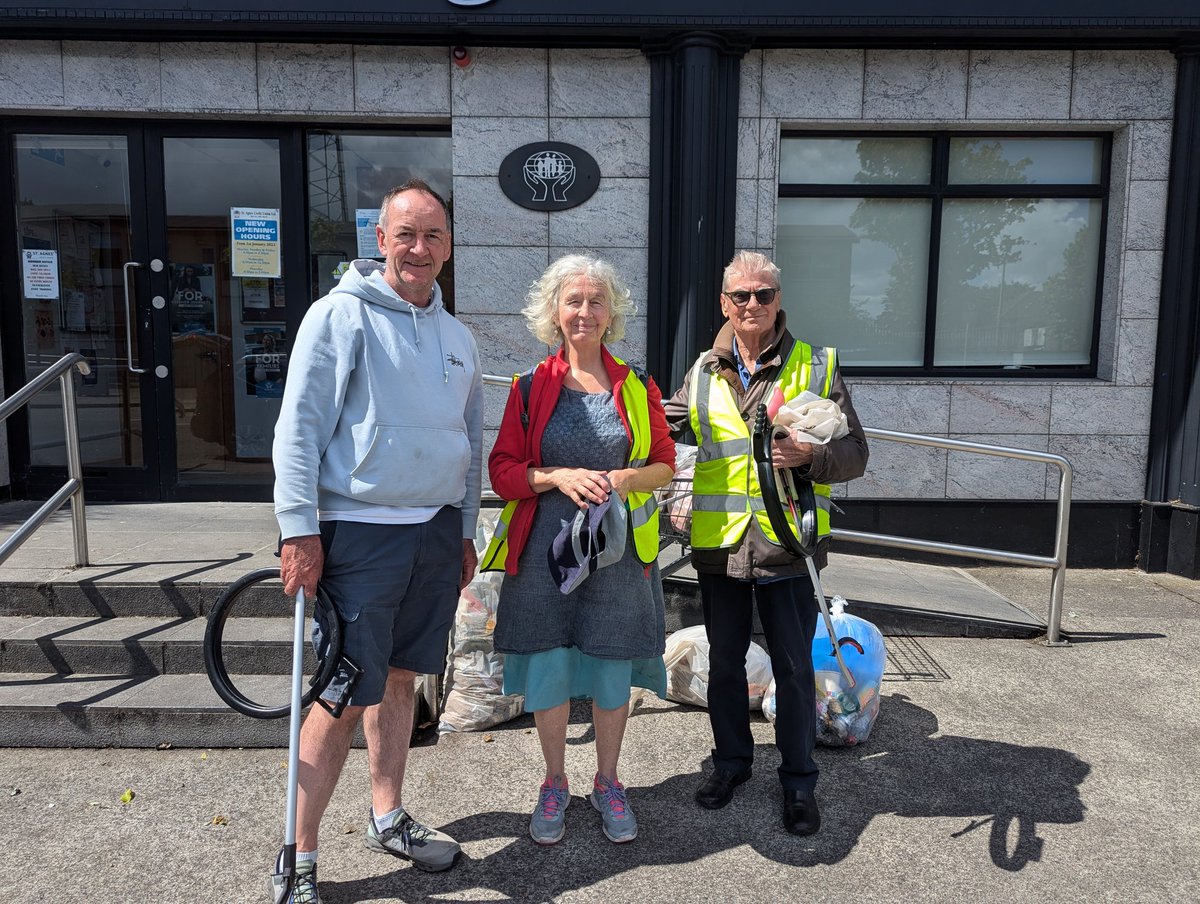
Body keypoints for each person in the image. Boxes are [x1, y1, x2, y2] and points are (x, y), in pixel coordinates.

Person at [271, 180, 483, 903]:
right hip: (358, 532)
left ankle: (387, 816)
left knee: (399, 679)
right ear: (381, 241)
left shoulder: (458, 337)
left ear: (449, 247)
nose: (419, 249)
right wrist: (298, 528)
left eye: (433, 236)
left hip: (430, 533)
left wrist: (462, 529)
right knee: (338, 692)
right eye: (406, 234)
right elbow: (298, 427)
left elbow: (470, 444)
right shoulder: (338, 317)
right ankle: (298, 856)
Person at [663, 250, 868, 836]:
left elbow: (857, 453)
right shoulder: (702, 371)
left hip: (789, 547)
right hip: (721, 547)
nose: (752, 305)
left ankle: (799, 782)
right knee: (725, 666)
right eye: (740, 296)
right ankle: (730, 763)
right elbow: (663, 425)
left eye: (764, 294)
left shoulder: (817, 364)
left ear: (779, 301)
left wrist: (814, 456)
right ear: (723, 303)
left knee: (794, 668)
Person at [482, 254, 675, 846]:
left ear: (611, 311)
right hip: (546, 555)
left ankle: (609, 780)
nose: (585, 311)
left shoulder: (637, 386)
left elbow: (665, 467)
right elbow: (502, 472)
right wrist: (557, 476)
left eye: (596, 301)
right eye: (573, 301)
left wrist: (620, 480)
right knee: (549, 666)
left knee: (612, 665)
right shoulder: (528, 388)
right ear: (554, 312)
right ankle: (554, 780)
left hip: (615, 555)